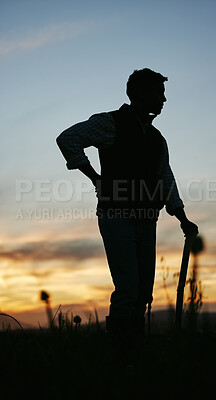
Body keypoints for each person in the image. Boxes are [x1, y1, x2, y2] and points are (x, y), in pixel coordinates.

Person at [56, 68, 198, 361]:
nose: (164, 100)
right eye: (158, 93)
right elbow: (68, 139)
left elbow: (164, 177)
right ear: (139, 94)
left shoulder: (157, 139)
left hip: (147, 218)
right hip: (116, 216)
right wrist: (95, 178)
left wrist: (182, 216)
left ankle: (135, 351)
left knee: (144, 291)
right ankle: (121, 354)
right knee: (128, 288)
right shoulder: (110, 123)